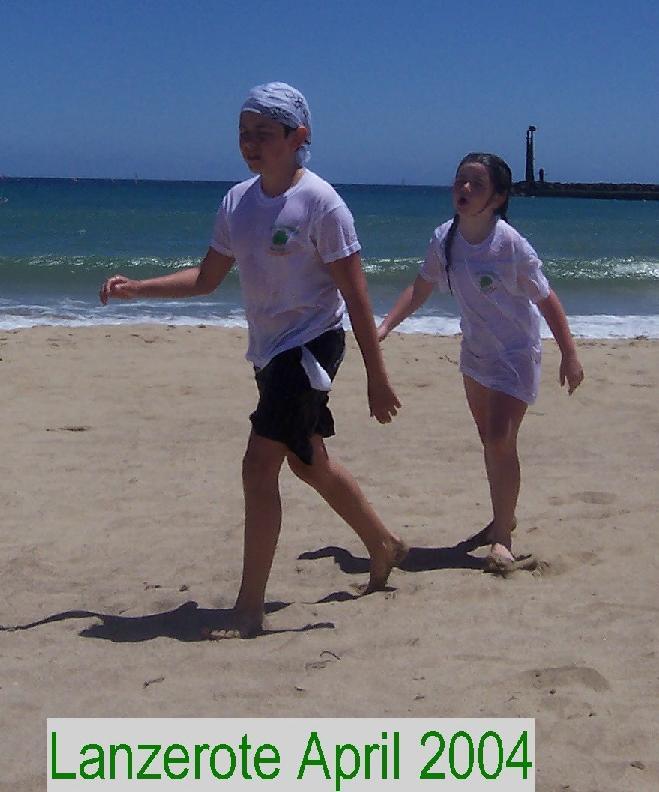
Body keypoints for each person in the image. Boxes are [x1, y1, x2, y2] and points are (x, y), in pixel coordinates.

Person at [99, 82, 407, 636]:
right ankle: (382, 543)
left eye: (263, 133)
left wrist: (377, 376)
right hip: (269, 351)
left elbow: (357, 297)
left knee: (258, 464)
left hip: (312, 344)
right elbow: (207, 277)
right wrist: (138, 288)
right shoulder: (237, 202)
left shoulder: (322, 204)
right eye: (244, 133)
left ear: (298, 136)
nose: (250, 143)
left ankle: (248, 608)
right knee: (307, 461)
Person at [378, 152, 584, 572]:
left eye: (477, 184)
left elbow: (546, 298)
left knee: (498, 440)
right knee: (490, 442)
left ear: (498, 197)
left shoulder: (509, 244)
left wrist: (569, 353)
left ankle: (502, 538)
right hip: (475, 354)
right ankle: (502, 517)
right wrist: (384, 326)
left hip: (516, 355)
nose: (465, 189)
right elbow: (420, 288)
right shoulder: (445, 238)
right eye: (460, 180)